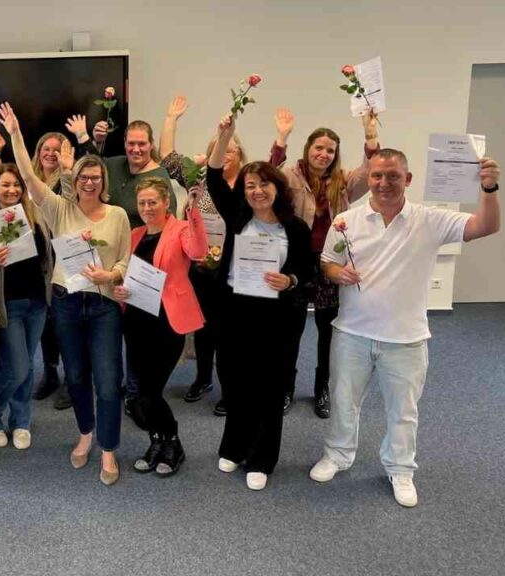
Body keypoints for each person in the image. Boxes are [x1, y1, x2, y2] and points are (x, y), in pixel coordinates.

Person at [309, 149, 502, 508]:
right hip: (352, 333)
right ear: (369, 178)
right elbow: (327, 261)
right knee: (343, 401)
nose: (383, 183)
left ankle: (400, 469)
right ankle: (337, 454)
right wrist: (337, 273)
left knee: (403, 411)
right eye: (377, 176)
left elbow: (485, 226)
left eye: (393, 176)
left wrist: (489, 188)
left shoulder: (430, 219)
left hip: (406, 338)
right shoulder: (347, 220)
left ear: (408, 179)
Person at [3, 102, 131, 486]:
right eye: (83, 176)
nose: (89, 182)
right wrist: (15, 134)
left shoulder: (117, 215)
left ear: (103, 182)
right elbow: (28, 177)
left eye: (95, 177)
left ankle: (108, 449)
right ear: (73, 179)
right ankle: (85, 434)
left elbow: (124, 260)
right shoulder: (59, 209)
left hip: (104, 305)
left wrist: (110, 274)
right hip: (67, 303)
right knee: (75, 376)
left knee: (108, 380)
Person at [207, 114, 314, 491]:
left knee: (268, 388)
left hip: (276, 315)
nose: (256, 191)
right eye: (250, 185)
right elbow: (213, 177)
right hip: (235, 310)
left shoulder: (295, 228)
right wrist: (225, 137)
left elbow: (307, 269)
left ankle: (261, 457)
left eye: (263, 184)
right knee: (234, 382)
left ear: (277, 187)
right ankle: (234, 448)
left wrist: (291, 279)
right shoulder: (237, 217)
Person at [271, 106, 379, 418]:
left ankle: (322, 388)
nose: (324, 154)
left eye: (330, 150)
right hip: (297, 263)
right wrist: (281, 138)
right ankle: (286, 387)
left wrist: (370, 137)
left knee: (327, 330)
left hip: (331, 263)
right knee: (290, 331)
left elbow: (369, 173)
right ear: (308, 148)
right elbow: (267, 175)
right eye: (319, 147)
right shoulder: (290, 176)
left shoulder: (343, 181)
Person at [69, 115, 174, 422]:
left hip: (142, 262)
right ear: (124, 143)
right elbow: (91, 174)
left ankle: (136, 393)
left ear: (151, 145)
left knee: (137, 330)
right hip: (107, 257)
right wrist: (87, 139)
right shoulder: (114, 165)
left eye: (142, 143)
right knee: (116, 324)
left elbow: (168, 219)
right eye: (131, 143)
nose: (136, 149)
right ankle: (117, 384)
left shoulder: (159, 174)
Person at [158, 95, 249, 415]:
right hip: (200, 266)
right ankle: (203, 378)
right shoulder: (199, 179)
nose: (223, 155)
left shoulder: (249, 185)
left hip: (234, 270)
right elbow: (167, 158)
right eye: (218, 151)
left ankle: (229, 388)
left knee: (229, 332)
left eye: (229, 150)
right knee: (204, 326)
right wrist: (171, 119)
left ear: (240, 155)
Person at [112, 177, 207, 476]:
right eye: (142, 202)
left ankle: (172, 441)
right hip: (136, 320)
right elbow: (127, 275)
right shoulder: (135, 234)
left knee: (150, 392)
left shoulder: (181, 229)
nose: (147, 207)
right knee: (142, 392)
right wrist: (120, 290)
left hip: (167, 322)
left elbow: (199, 251)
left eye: (153, 202)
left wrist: (193, 210)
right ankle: (157, 441)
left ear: (166, 202)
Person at [0, 164, 54, 451]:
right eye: (5, 184)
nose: (12, 190)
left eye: (16, 185)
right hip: (8, 304)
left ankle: (21, 420)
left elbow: (47, 256)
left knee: (27, 363)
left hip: (36, 301)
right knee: (17, 367)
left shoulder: (35, 215)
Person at [26, 131, 70, 409]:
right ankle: (51, 372)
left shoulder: (67, 181)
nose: (51, 153)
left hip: (61, 254)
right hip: (34, 257)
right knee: (45, 319)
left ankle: (71, 378)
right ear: (38, 150)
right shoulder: (27, 179)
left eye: (57, 149)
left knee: (64, 319)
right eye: (46, 148)